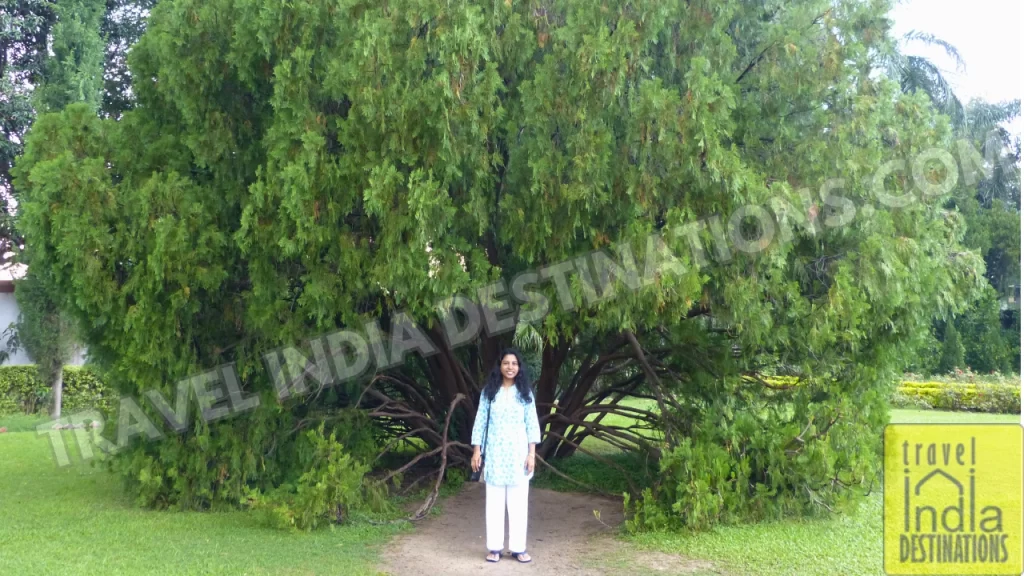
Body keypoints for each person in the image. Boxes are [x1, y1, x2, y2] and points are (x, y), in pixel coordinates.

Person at [470, 348, 542, 564]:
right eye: (506, 363)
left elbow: (532, 424)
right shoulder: (489, 392)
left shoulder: (525, 393)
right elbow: (481, 422)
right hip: (494, 455)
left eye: (514, 363)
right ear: (499, 366)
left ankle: (519, 548)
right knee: (494, 503)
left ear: (519, 368)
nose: (510, 367)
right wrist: (477, 451)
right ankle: (494, 548)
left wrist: (531, 454)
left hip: (519, 456)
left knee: (519, 504)